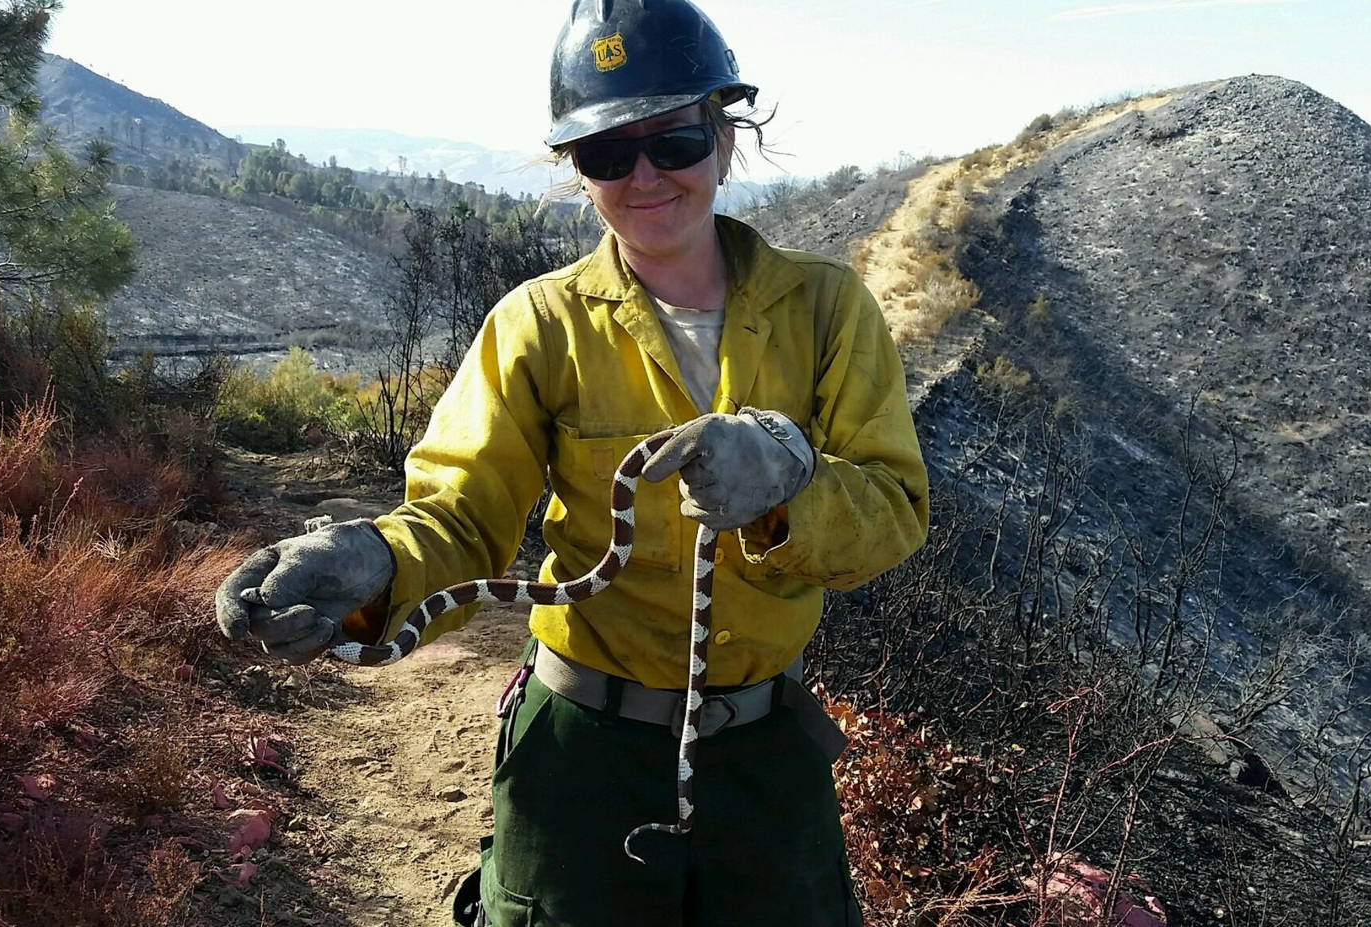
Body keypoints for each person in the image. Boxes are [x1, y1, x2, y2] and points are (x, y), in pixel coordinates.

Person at [216, 1, 929, 924]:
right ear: (576, 170)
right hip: (580, 751)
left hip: (763, 759)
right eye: (605, 154)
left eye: (672, 142)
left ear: (720, 134)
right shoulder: (536, 325)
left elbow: (893, 510)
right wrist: (372, 562)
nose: (644, 177)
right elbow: (462, 518)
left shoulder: (827, 308)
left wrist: (792, 485)